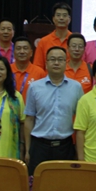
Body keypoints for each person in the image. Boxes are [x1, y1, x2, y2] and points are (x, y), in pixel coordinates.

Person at [24, 46, 84, 175]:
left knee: (63, 183)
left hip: (65, 146)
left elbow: (81, 120)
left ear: (66, 63)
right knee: (37, 183)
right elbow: (29, 119)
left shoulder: (76, 87)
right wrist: (27, 149)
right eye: (52, 59)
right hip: (39, 146)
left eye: (60, 59)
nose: (56, 63)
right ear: (46, 63)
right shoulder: (34, 87)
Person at [33, 2, 73, 70]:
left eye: (64, 15)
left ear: (69, 19)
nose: (61, 18)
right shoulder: (43, 42)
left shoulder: (74, 41)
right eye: (58, 15)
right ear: (53, 19)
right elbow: (38, 68)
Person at [10, 36, 46, 102]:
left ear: (31, 53)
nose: (22, 51)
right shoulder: (7, 70)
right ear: (13, 52)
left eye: (25, 48)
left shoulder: (39, 72)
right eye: (18, 48)